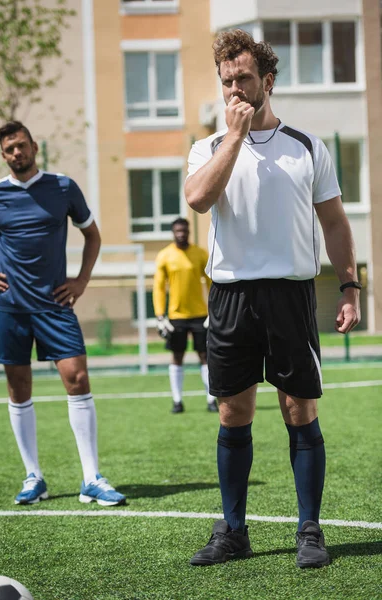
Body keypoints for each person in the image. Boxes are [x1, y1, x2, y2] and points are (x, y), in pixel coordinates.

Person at [185, 30, 361, 568]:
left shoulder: (308, 146)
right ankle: (234, 531)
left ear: (268, 79)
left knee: (299, 410)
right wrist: (233, 140)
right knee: (233, 413)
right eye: (226, 81)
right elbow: (197, 198)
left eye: (243, 77)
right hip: (231, 296)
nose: (235, 88)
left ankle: (310, 530)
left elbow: (333, 221)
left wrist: (351, 285)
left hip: (290, 295)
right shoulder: (208, 147)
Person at [0, 121, 126, 506]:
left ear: (34, 147)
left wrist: (80, 281)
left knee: (77, 379)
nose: (17, 153)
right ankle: (34, 477)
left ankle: (91, 477)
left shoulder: (63, 187)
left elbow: (92, 234)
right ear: (3, 154)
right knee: (18, 388)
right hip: (10, 306)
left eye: (22, 145)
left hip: (55, 304)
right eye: (10, 148)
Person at [153, 217, 217, 413]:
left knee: (205, 355)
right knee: (177, 356)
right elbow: (158, 287)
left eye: (184, 230)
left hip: (200, 315)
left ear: (189, 232)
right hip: (176, 316)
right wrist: (160, 315)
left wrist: (213, 311)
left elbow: (212, 283)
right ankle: (177, 401)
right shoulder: (165, 255)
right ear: (173, 233)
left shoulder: (200, 254)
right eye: (178, 231)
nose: (181, 234)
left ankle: (211, 400)